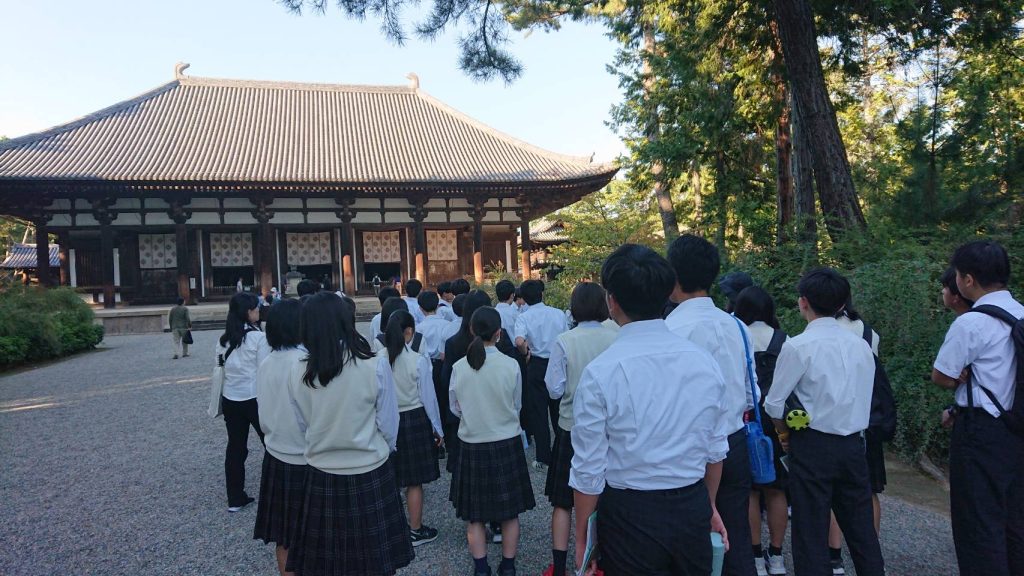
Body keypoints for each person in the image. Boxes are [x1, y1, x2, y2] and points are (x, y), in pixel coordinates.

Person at [570, 244, 730, 576]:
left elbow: (588, 469)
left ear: (611, 301)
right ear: (667, 294)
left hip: (630, 514)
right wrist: (709, 505)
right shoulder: (703, 362)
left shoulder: (602, 372)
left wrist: (584, 537)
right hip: (690, 505)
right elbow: (716, 449)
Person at [764, 268, 885, 576]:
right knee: (861, 530)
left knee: (811, 531)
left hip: (812, 444)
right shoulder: (863, 346)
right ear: (842, 303)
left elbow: (775, 403)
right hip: (854, 444)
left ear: (803, 303)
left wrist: (784, 434)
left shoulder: (799, 346)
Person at [285, 293, 413, 575]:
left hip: (321, 470)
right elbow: (390, 425)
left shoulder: (297, 370)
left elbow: (302, 424)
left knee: (328, 564)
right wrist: (378, 447)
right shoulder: (374, 365)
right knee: (374, 562)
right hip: (369, 468)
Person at [663, 234, 757, 576]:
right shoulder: (735, 326)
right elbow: (752, 395)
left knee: (689, 542)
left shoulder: (670, 330)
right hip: (735, 441)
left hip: (688, 449)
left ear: (672, 276)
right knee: (735, 536)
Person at [932, 240, 1023, 576]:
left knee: (978, 524)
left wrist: (959, 380)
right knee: (1014, 521)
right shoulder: (1021, 314)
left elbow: (941, 375)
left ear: (967, 279)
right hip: (1017, 431)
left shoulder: (971, 323)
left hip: (980, 434)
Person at [449, 306, 535, 576]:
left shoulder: (459, 367)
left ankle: (481, 567)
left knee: (475, 514)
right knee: (509, 512)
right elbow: (517, 404)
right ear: (499, 333)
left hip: (472, 442)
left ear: (472, 330)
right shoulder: (511, 365)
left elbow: (455, 407)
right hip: (505, 441)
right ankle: (508, 566)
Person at [542, 283, 618, 576]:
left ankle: (561, 566)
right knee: (607, 497)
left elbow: (553, 388)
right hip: (610, 427)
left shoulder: (565, 340)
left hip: (571, 426)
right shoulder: (616, 334)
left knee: (563, 502)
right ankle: (603, 560)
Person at [733, 287, 789, 576]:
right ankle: (777, 556)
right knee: (777, 490)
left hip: (747, 421)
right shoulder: (784, 340)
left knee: (752, 492)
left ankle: (755, 556)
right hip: (778, 423)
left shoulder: (738, 336)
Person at [379, 309, 445, 547]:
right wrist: (438, 430)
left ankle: (390, 527)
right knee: (414, 480)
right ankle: (415, 529)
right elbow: (429, 399)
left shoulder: (377, 358)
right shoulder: (418, 360)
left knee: (390, 478)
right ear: (409, 332)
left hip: (386, 418)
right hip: (414, 418)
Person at [830, 296, 884, 574]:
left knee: (834, 492)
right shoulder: (867, 331)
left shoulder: (823, 331)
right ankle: (870, 547)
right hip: (867, 417)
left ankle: (834, 554)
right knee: (869, 489)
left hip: (835, 421)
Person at [253, 299, 307, 576]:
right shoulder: (304, 363)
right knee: (315, 534)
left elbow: (263, 410)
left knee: (284, 535)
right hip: (306, 457)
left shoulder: (266, 363)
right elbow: (310, 417)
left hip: (275, 453)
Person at [216, 292, 271, 512]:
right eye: (256, 308)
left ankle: (235, 496)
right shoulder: (258, 338)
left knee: (236, 447)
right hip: (254, 397)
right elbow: (264, 368)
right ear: (248, 312)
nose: (258, 311)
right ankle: (273, 490)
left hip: (231, 397)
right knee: (271, 444)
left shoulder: (223, 340)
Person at [514, 279, 569, 468]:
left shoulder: (524, 316)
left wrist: (526, 353)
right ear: (542, 294)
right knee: (558, 409)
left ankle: (543, 456)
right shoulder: (558, 314)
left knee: (538, 412)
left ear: (524, 299)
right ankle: (563, 452)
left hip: (536, 364)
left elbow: (519, 341)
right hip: (556, 362)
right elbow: (566, 337)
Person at [418, 290, 454, 455]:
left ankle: (437, 442)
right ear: (437, 305)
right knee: (447, 400)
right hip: (445, 365)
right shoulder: (447, 325)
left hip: (427, 366)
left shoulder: (419, 329)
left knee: (431, 402)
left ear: (420, 308)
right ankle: (450, 437)